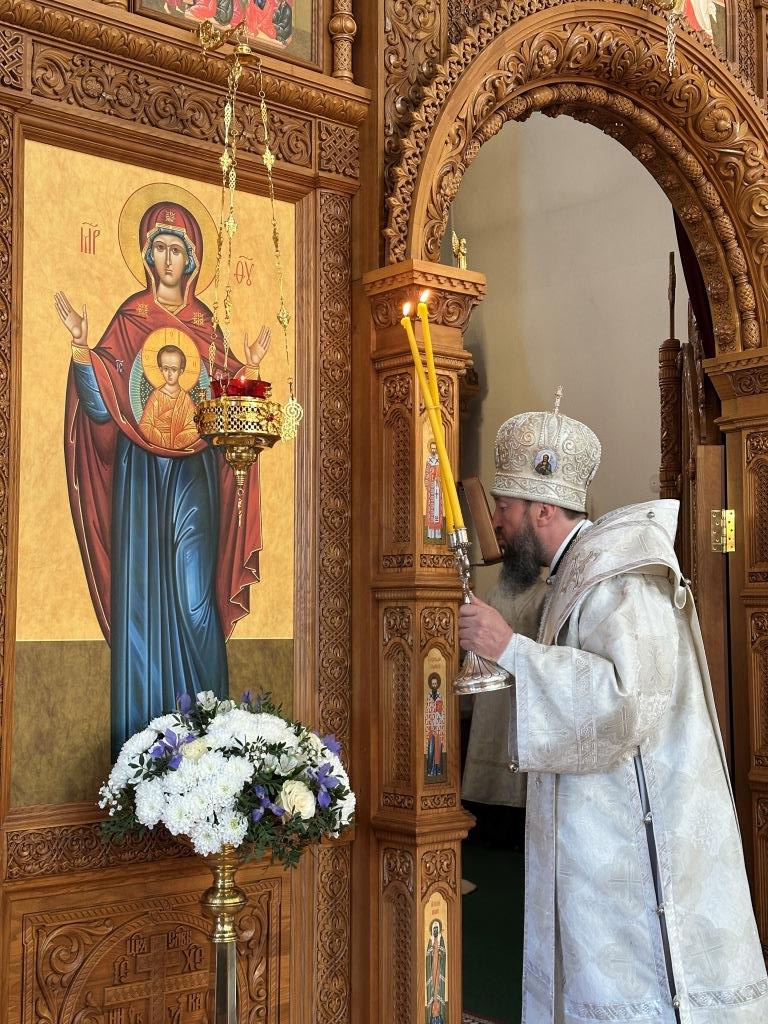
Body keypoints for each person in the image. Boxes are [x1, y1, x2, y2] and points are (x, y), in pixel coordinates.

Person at [458, 406, 768, 1023]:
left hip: (635, 834)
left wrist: (512, 650)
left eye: (505, 506)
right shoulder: (575, 575)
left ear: (542, 510)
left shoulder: (621, 577)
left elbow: (629, 702)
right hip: (595, 826)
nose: (495, 521)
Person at [56, 201, 270, 758]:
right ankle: (142, 754)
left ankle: (208, 735)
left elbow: (228, 408)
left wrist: (246, 372)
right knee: (141, 599)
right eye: (160, 248)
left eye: (178, 249)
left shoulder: (207, 327)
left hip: (193, 478)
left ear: (192, 259)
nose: (169, 258)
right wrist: (82, 350)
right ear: (148, 256)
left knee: (197, 598)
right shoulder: (129, 320)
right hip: (139, 480)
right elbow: (101, 409)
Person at [138, 344, 199, 450]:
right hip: (157, 447)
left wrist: (178, 440)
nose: (169, 374)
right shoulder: (156, 396)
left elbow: (194, 427)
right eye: (166, 369)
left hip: (179, 446)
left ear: (181, 371)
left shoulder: (185, 399)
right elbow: (145, 425)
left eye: (174, 369)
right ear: (161, 369)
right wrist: (160, 439)